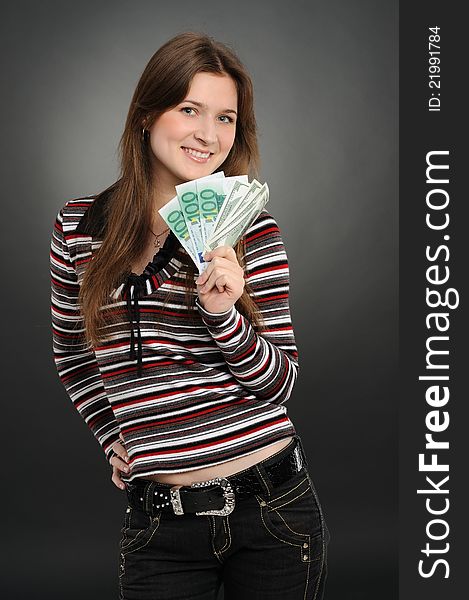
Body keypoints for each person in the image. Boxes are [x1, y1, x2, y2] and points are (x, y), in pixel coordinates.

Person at [50, 31, 329, 600]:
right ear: (148, 114)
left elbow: (280, 386)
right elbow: (73, 354)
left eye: (226, 117)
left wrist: (224, 315)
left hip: (273, 511)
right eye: (189, 109)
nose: (209, 134)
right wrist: (113, 437)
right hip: (160, 523)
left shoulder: (251, 230)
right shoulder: (79, 229)